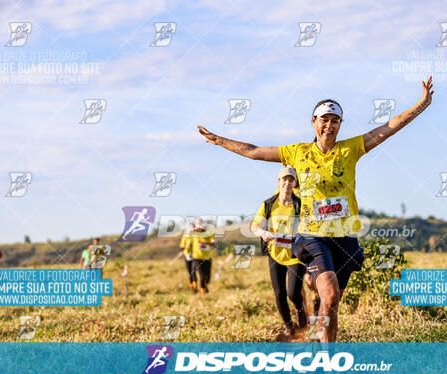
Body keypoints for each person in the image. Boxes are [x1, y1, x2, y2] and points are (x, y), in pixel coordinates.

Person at [198, 77, 434, 341]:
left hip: (344, 237)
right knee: (330, 294)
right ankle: (327, 364)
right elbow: (254, 151)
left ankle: (323, 350)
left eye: (335, 120)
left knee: (331, 304)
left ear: (340, 125)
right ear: (314, 122)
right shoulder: (297, 152)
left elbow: (389, 127)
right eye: (324, 119)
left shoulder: (351, 149)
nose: (329, 125)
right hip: (313, 236)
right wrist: (219, 140)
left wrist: (421, 104)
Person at [251, 166, 308, 337]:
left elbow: (309, 226)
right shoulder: (268, 204)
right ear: (279, 182)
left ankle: (300, 308)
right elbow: (254, 226)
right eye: (284, 180)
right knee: (279, 293)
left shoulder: (300, 205)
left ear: (295, 183)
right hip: (275, 254)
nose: (287, 183)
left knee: (292, 293)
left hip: (295, 256)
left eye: (291, 180)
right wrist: (262, 233)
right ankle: (289, 326)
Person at [186, 218, 215, 293]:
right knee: (202, 275)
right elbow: (189, 242)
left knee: (207, 276)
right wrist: (188, 245)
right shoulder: (193, 234)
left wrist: (205, 243)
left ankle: (205, 285)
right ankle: (203, 291)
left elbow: (213, 243)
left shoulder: (209, 233)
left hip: (208, 257)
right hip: (197, 258)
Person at [170, 224, 197, 291]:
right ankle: (191, 285)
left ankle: (195, 285)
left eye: (192, 228)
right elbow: (182, 248)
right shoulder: (185, 237)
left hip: (195, 256)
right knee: (189, 271)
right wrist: (186, 247)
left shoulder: (196, 237)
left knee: (193, 271)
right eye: (190, 228)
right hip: (187, 256)